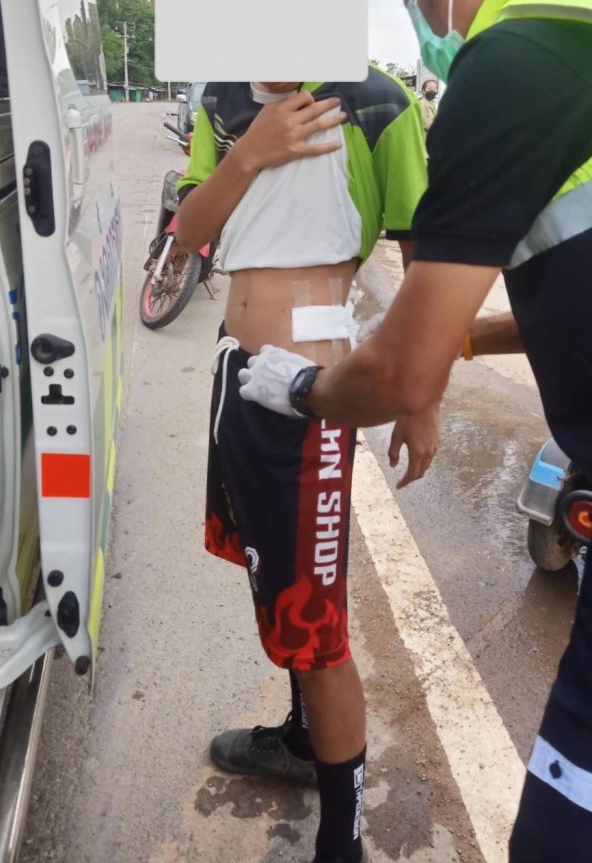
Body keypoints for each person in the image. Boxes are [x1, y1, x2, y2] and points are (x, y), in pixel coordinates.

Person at [237, 0, 592, 862]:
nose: (419, 21)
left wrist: (300, 390)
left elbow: (395, 371)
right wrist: (465, 345)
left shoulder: (521, 53)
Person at [175, 72, 432, 863]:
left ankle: (341, 841)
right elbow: (189, 232)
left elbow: (424, 260)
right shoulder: (222, 99)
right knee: (273, 581)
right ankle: (299, 740)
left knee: (317, 629)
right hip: (236, 378)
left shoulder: (377, 101)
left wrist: (422, 396)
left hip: (309, 402)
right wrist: (247, 154)